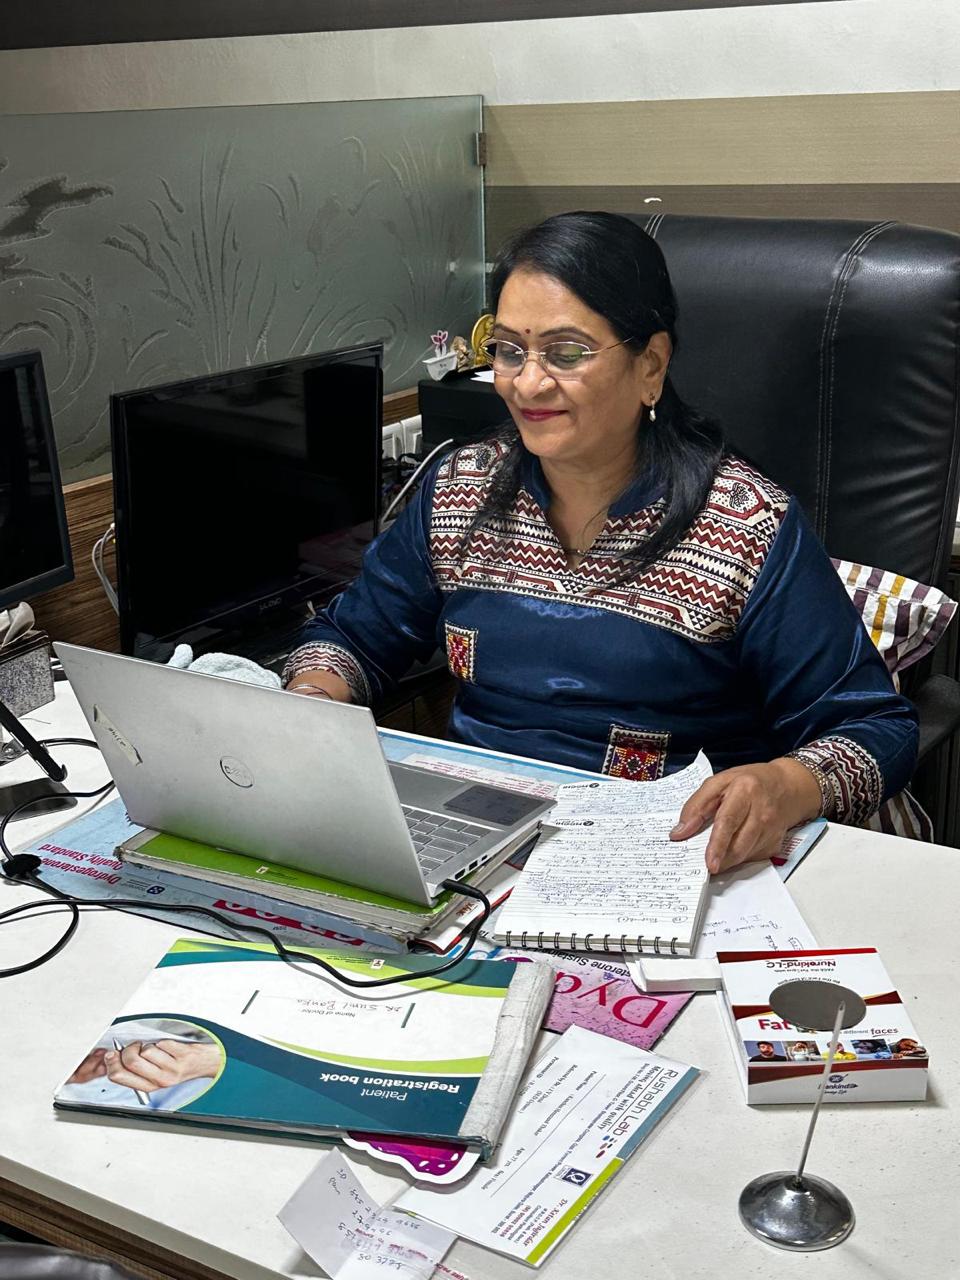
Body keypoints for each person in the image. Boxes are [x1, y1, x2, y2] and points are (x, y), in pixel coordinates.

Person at [283, 211, 917, 875]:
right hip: (479, 849)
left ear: (651, 366)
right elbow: (352, 638)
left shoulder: (745, 525)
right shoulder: (460, 490)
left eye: (566, 353)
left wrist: (784, 785)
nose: (528, 383)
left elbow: (875, 729)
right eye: (509, 351)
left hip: (668, 860)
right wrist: (313, 698)